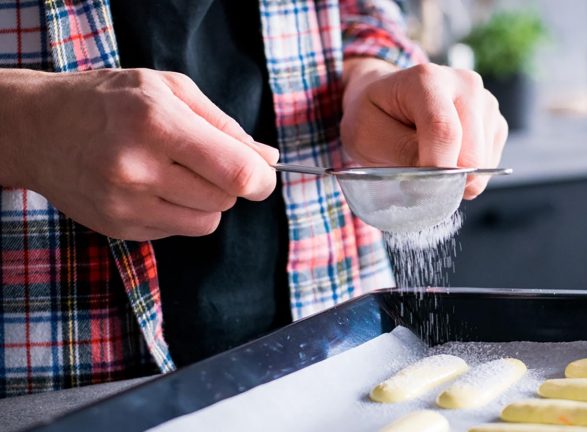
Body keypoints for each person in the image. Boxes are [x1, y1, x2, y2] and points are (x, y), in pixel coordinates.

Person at [0, 1, 508, 397]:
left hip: (335, 334)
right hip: (52, 378)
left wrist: (370, 71)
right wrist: (23, 125)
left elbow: (359, 10)